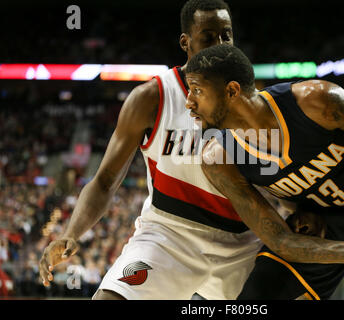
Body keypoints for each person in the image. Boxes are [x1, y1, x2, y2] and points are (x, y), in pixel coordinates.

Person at [184, 44, 344, 300]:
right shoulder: (218, 157)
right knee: (257, 297)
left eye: (197, 90)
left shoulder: (315, 101)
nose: (188, 102)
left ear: (231, 90)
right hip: (318, 223)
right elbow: (279, 239)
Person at [38, 0, 264, 300]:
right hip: (169, 237)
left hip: (242, 244)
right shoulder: (152, 98)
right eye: (208, 37)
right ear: (186, 42)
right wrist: (71, 233)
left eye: (226, 35)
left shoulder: (253, 102)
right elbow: (105, 180)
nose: (220, 44)